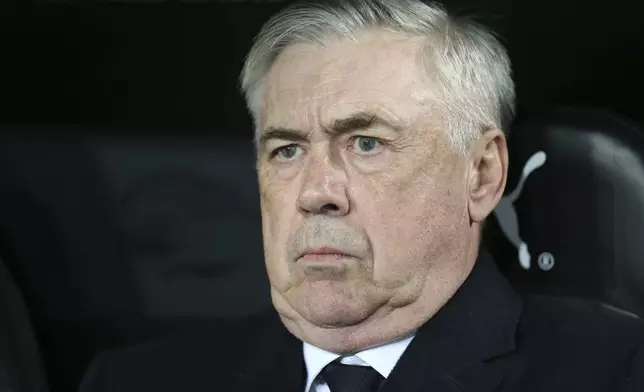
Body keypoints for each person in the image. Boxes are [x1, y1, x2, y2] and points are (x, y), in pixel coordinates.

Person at [79, 1, 644, 391]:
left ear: (480, 175)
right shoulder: (137, 382)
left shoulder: (617, 374)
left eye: (366, 143)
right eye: (287, 150)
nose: (316, 193)